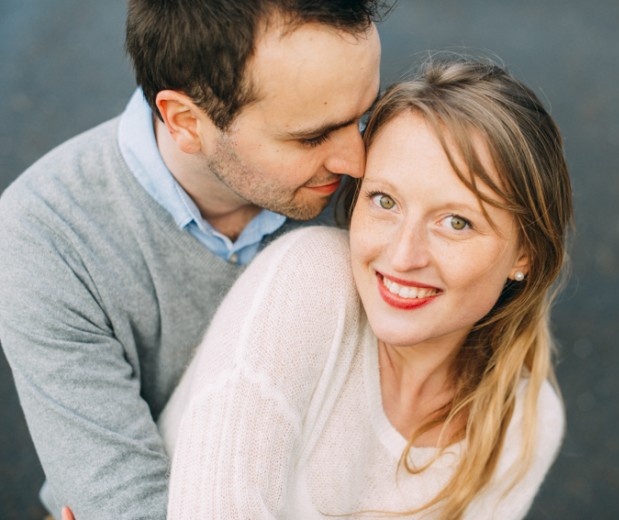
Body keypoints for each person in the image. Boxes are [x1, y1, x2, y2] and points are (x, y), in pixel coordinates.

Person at [0, 0, 388, 517]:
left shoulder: (392, 183)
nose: (359, 164)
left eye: (364, 114)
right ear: (184, 120)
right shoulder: (45, 236)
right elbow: (130, 505)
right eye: (311, 136)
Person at [158, 54, 574, 519]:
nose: (402, 255)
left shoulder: (523, 423)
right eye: (385, 200)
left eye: (456, 222)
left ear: (525, 255)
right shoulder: (308, 283)